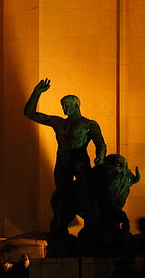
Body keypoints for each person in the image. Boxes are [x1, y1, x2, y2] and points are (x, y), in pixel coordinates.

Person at [24, 78, 108, 233]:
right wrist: (37, 92)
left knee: (89, 192)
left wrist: (100, 157)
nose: (64, 109)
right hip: (62, 163)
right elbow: (29, 113)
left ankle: (94, 225)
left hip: (80, 163)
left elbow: (100, 143)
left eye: (67, 105)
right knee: (62, 196)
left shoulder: (88, 124)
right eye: (62, 106)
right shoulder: (58, 123)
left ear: (77, 105)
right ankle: (60, 227)